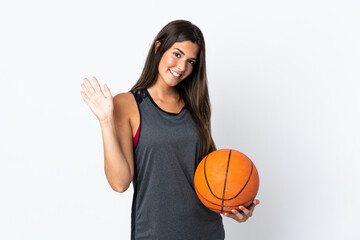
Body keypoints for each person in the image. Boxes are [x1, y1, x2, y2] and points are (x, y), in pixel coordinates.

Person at [80, 19, 260, 240]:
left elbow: (212, 173)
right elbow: (120, 183)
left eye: (191, 61)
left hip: (207, 232)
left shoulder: (196, 106)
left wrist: (235, 204)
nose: (182, 67)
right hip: (155, 233)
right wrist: (106, 120)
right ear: (158, 48)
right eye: (177, 54)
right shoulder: (127, 105)